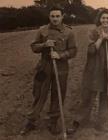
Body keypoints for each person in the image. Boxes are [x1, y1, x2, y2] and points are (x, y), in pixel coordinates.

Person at [20, 6, 77, 135]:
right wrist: (44, 45)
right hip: (44, 67)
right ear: (49, 17)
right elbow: (34, 47)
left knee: (58, 94)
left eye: (58, 16)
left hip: (61, 67)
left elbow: (73, 50)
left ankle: (53, 122)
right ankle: (31, 121)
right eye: (52, 16)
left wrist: (60, 55)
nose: (55, 18)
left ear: (62, 16)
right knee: (39, 93)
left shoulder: (69, 32)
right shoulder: (42, 30)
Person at [72, 8, 108, 132]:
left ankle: (102, 122)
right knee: (88, 95)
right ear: (99, 19)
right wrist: (100, 39)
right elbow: (91, 51)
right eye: (103, 18)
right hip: (94, 68)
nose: (105, 20)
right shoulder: (93, 32)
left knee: (106, 96)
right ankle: (80, 120)